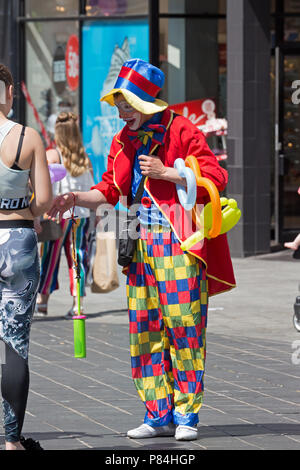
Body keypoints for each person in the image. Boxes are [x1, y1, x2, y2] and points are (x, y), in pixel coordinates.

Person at [47, 59, 236, 441]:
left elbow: (216, 176)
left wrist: (170, 173)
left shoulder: (181, 129)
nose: (121, 112)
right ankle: (157, 412)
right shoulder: (122, 141)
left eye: (127, 104)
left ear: (147, 102)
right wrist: (73, 198)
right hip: (137, 240)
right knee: (144, 327)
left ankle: (186, 415)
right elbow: (108, 190)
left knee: (183, 324)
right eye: (118, 105)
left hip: (179, 242)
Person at [0, 64, 52, 450]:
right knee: (13, 340)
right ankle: (12, 439)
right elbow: (45, 201)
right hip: (17, 239)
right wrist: (27, 211)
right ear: (10, 94)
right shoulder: (27, 136)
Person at [35, 112, 94, 318]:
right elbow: (92, 187)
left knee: (50, 256)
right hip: (82, 214)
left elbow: (43, 182)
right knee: (78, 257)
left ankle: (43, 299)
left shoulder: (53, 154)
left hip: (59, 213)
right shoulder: (84, 157)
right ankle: (78, 304)